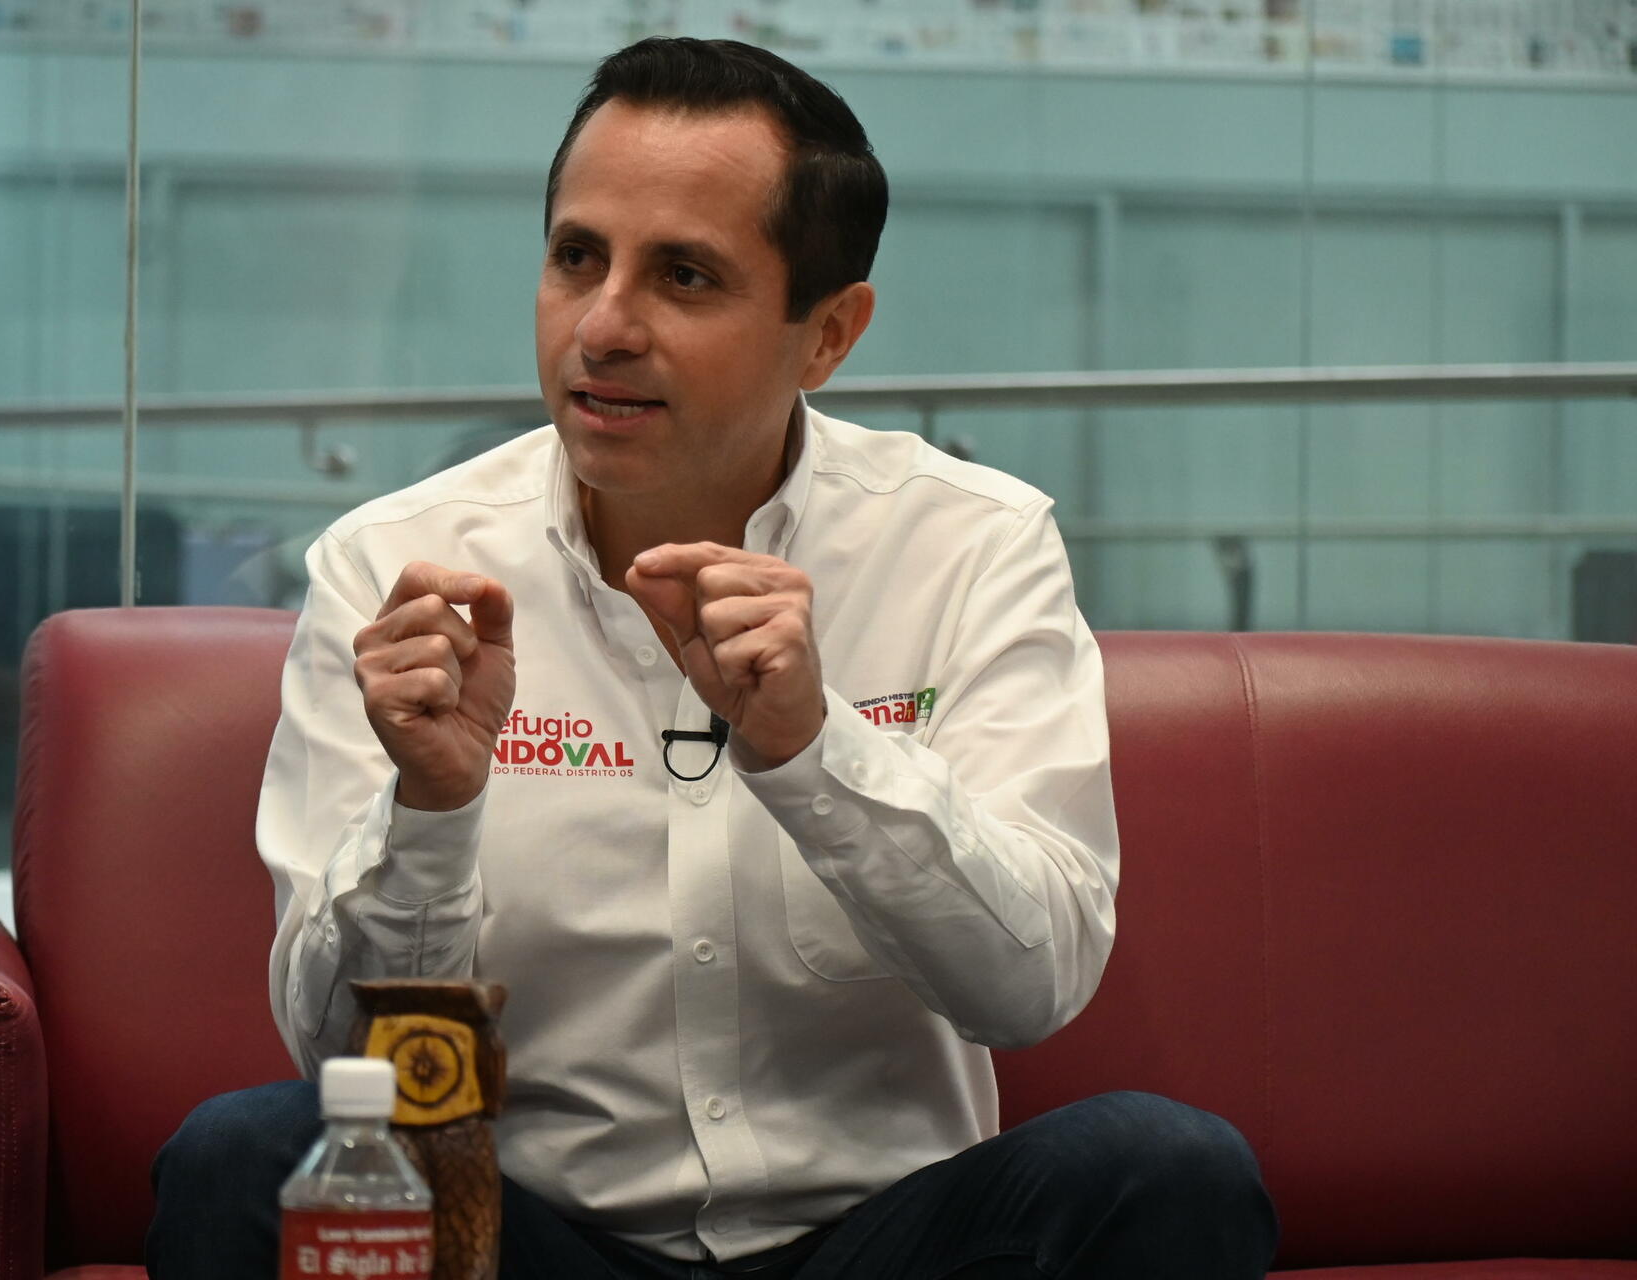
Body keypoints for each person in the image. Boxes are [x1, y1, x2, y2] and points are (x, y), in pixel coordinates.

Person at [149, 37, 1278, 1280]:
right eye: (577, 257)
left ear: (827, 334)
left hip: (875, 1245)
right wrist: (431, 810)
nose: (603, 326)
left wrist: (814, 749)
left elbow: (1031, 985)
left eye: (683, 276)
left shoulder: (970, 545)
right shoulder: (399, 567)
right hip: (530, 1237)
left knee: (1166, 1167)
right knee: (248, 1155)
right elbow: (344, 1067)